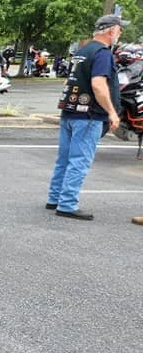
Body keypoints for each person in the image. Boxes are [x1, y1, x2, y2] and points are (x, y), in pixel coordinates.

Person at [46, 13, 128, 221]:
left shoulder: (82, 51)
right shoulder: (102, 53)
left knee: (64, 159)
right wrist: (112, 112)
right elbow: (98, 84)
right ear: (111, 30)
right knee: (79, 160)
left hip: (69, 111)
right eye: (120, 29)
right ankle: (67, 204)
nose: (120, 33)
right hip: (89, 115)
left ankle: (55, 198)